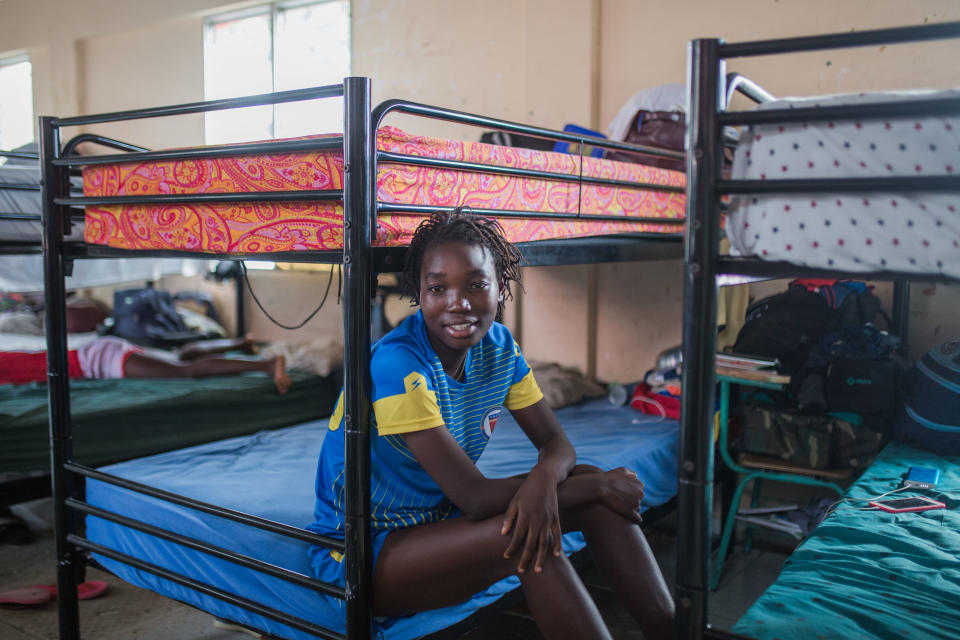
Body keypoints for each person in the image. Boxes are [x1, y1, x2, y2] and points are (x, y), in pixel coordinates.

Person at [307, 211, 673, 639]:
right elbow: (475, 497)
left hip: (437, 526)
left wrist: (546, 482)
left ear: (501, 288)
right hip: (362, 553)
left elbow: (557, 444)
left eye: (476, 285)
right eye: (437, 288)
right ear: (419, 295)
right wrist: (598, 485)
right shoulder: (398, 364)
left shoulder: (499, 348)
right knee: (528, 533)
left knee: (581, 486)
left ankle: (672, 633)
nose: (457, 303)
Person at [0, 334, 291, 393]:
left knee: (185, 373)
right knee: (179, 356)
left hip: (102, 360)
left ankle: (267, 365)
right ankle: (240, 343)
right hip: (100, 349)